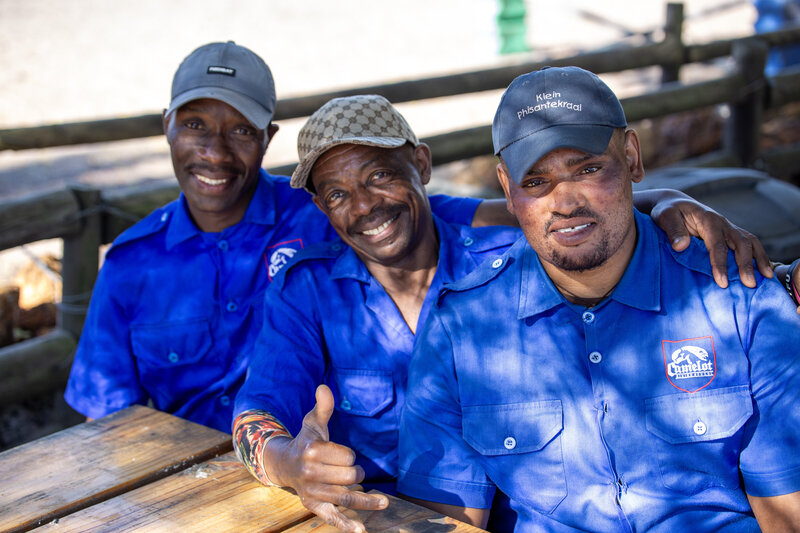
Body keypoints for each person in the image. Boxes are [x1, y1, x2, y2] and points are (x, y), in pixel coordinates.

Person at [63, 40, 774, 435]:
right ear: (166, 126)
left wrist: (663, 200)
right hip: (234, 471)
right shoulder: (139, 262)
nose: (215, 152)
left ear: (265, 139)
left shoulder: (315, 214)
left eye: (239, 130)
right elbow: (106, 421)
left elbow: (529, 209)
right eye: (195, 125)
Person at [230, 95, 793, 533]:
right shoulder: (307, 290)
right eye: (335, 194)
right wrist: (290, 463)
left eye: (381, 175)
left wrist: (671, 201)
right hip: (384, 511)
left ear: (421, 165)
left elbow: (571, 206)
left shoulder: (504, 250)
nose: (365, 205)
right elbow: (255, 416)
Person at [398, 66, 800, 532]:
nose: (565, 202)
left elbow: (787, 513)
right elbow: (442, 520)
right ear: (507, 189)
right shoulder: (461, 326)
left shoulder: (739, 298)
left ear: (631, 157)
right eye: (535, 182)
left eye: (588, 169)